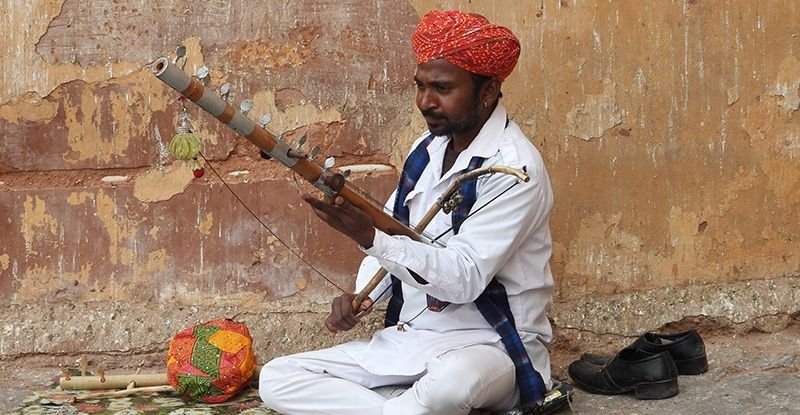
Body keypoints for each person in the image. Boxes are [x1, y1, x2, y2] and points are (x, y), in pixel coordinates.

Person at [259, 9, 555, 415]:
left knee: (449, 388)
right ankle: (401, 410)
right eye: (420, 86)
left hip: (488, 347)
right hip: (411, 339)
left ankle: (398, 408)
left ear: (487, 92)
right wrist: (364, 296)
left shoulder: (515, 169)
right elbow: (403, 231)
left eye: (442, 88)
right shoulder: (427, 148)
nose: (425, 102)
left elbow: (464, 279)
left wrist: (369, 238)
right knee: (277, 378)